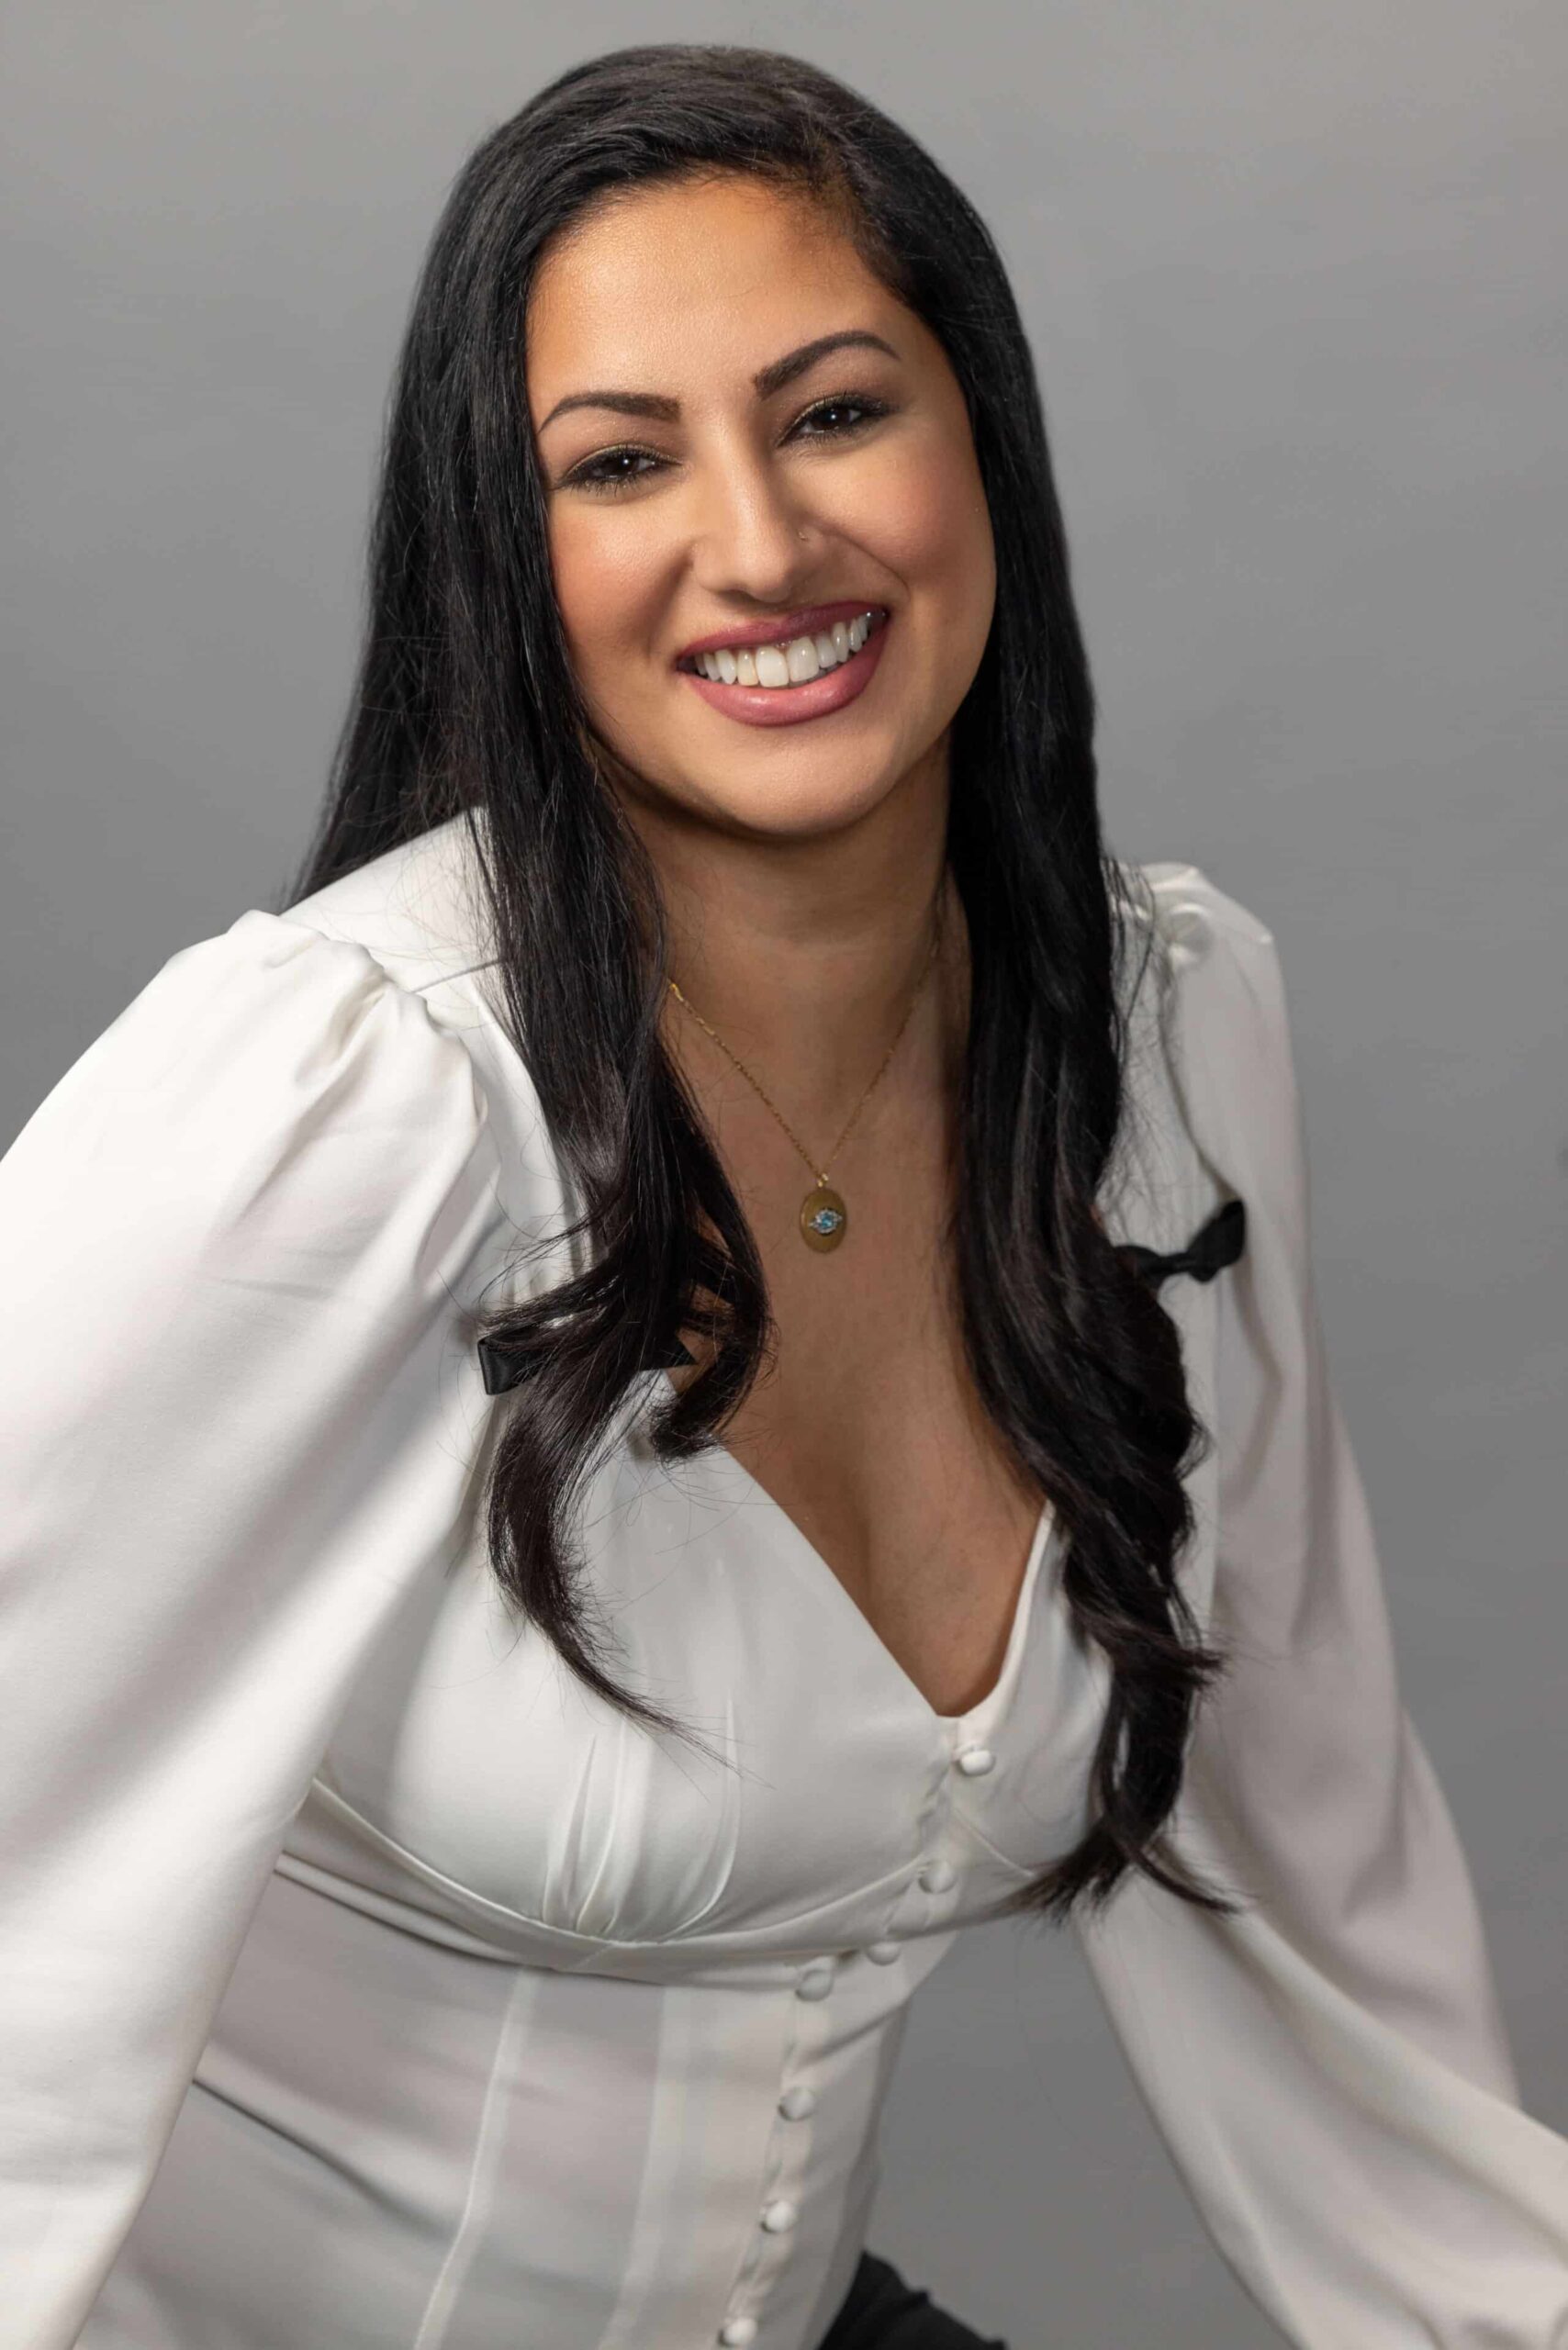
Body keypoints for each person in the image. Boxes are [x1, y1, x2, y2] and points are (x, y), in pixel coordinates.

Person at [2, 40, 1564, 2350]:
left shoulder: (1158, 1043)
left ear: (979, 443)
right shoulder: (342, 1102)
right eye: (619, 462)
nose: (757, 543)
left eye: (835, 411)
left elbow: (1306, 1882)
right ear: (505, 554)